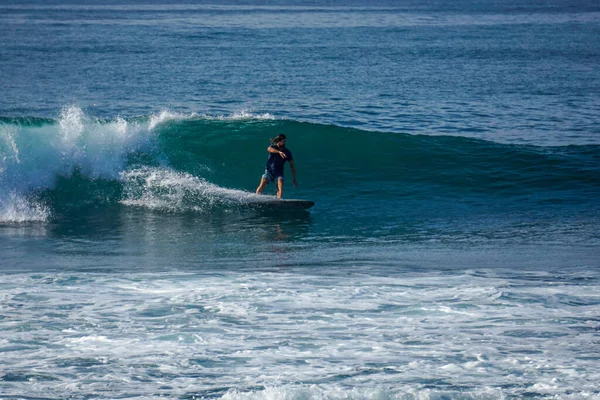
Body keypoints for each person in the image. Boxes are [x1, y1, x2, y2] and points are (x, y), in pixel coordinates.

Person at [256, 134, 297, 199]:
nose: (285, 143)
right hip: (269, 171)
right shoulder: (273, 147)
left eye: (285, 141)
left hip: (279, 173)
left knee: (280, 187)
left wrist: (294, 178)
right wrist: (279, 152)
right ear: (279, 141)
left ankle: (279, 201)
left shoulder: (287, 152)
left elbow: (292, 166)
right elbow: (269, 149)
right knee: (263, 183)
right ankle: (257, 198)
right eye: (283, 141)